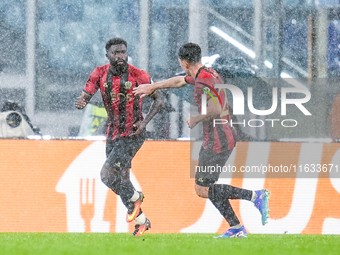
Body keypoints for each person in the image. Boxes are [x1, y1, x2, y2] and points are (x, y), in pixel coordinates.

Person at [133, 43, 269, 238]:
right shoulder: (205, 73)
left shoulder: (204, 79)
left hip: (218, 139)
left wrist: (195, 118)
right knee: (209, 187)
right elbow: (179, 81)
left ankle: (256, 197)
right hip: (217, 137)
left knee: (203, 189)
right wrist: (154, 86)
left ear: (184, 62)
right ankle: (237, 228)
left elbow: (216, 108)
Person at [75, 37, 164, 236]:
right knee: (122, 178)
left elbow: (160, 98)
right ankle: (142, 222)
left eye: (123, 52)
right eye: (116, 53)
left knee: (107, 175)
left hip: (133, 132)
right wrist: (82, 101)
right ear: (107, 55)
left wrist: (144, 122)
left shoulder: (138, 75)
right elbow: (87, 94)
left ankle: (135, 196)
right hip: (113, 133)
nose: (120, 56)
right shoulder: (99, 73)